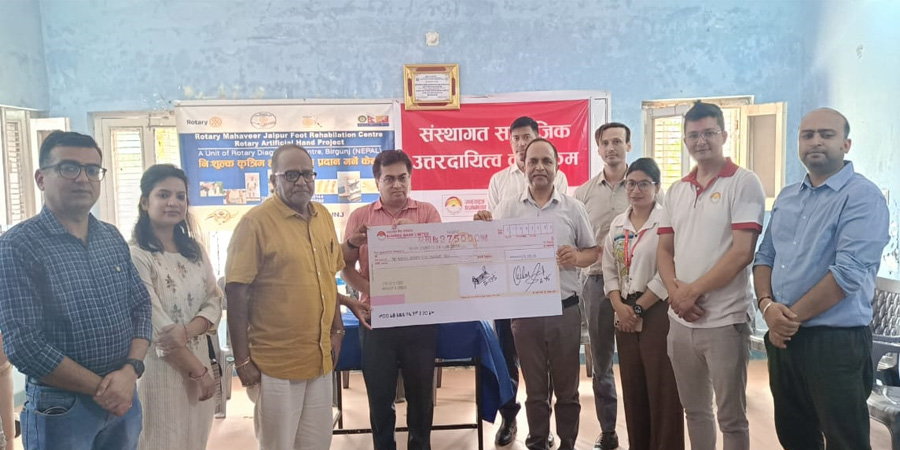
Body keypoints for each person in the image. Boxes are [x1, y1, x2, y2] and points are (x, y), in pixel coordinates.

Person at [0, 130, 152, 449]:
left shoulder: (110, 237)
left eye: (92, 170)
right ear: (41, 178)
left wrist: (130, 370)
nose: (83, 178)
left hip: (123, 398)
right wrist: (105, 389)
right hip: (62, 408)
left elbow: (140, 306)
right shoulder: (17, 246)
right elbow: (24, 345)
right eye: (69, 168)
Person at [753, 108, 890, 450]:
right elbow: (765, 257)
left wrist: (785, 320)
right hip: (785, 341)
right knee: (794, 436)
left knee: (845, 440)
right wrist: (767, 307)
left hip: (835, 343)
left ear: (846, 144)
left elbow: (847, 274)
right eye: (807, 135)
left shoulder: (863, 197)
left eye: (826, 135)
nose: (815, 141)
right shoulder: (788, 197)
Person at [475, 138, 598, 450]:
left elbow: (592, 251)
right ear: (523, 165)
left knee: (567, 391)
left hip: (564, 310)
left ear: (557, 166)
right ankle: (537, 442)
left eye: (546, 161)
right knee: (536, 391)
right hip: (524, 313)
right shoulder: (507, 208)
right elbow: (489, 254)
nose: (539, 167)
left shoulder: (573, 208)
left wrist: (576, 257)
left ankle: (568, 443)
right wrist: (481, 229)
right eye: (533, 161)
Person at [656, 101, 765, 450]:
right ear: (685, 141)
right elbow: (664, 251)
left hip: (725, 321)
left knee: (731, 418)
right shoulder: (677, 190)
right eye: (693, 135)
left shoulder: (744, 182)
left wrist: (691, 292)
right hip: (680, 321)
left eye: (708, 133)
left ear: (724, 135)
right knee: (695, 411)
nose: (701, 141)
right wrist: (676, 294)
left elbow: (742, 253)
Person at [225, 144, 345, 450]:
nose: (301, 181)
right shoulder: (255, 223)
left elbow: (329, 278)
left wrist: (337, 330)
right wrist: (242, 361)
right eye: (291, 175)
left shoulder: (323, 217)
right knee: (278, 445)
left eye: (307, 174)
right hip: (275, 363)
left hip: (319, 359)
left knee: (317, 443)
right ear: (272, 180)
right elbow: (236, 293)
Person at [341, 149, 441, 450]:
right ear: (377, 182)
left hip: (420, 316)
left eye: (402, 177)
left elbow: (442, 261)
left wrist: (418, 236)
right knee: (380, 396)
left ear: (410, 179)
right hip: (377, 316)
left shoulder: (427, 214)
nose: (397, 184)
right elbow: (344, 267)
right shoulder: (360, 217)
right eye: (389, 179)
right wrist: (372, 288)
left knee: (421, 396)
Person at [486, 116, 569, 446]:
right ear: (511, 143)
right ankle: (509, 418)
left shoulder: (558, 178)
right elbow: (493, 232)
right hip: (508, 290)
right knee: (507, 355)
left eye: (527, 137)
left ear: (537, 139)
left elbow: (556, 225)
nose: (521, 144)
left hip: (542, 288)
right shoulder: (498, 181)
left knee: (542, 363)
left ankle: (544, 428)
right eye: (516, 138)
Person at [130, 164, 223, 450]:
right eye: (163, 195)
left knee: (196, 441)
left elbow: (214, 299)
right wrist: (198, 372)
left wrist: (188, 331)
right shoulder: (136, 255)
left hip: (200, 361)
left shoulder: (194, 250)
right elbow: (158, 327)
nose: (173, 202)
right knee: (162, 442)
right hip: (160, 372)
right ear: (145, 202)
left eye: (180, 196)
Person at [601, 158, 683, 450]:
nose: (636, 190)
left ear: (657, 187)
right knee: (633, 387)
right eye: (630, 184)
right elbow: (609, 268)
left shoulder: (666, 222)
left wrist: (638, 309)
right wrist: (618, 305)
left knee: (662, 389)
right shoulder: (618, 224)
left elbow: (667, 270)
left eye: (643, 184)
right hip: (623, 311)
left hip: (656, 310)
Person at [573, 122, 634, 450]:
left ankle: (641, 428)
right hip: (596, 283)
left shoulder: (642, 186)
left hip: (637, 286)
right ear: (598, 149)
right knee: (601, 361)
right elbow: (578, 242)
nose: (611, 148)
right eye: (605, 143)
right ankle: (608, 430)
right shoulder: (583, 193)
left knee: (637, 361)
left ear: (628, 145)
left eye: (617, 142)